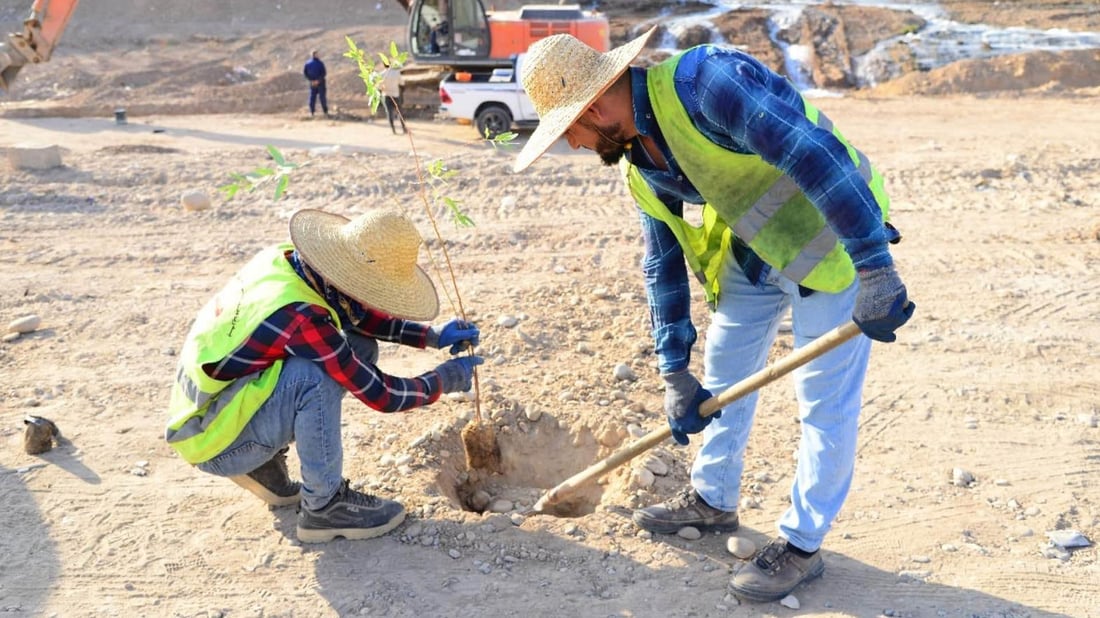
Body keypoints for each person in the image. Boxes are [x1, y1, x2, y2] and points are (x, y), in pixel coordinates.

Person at [512, 30, 914, 602]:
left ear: (593, 107)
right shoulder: (636, 164)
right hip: (754, 254)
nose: (573, 145)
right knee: (722, 379)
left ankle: (802, 546)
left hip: (835, 240)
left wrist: (874, 265)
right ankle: (712, 499)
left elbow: (813, 155)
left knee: (824, 404)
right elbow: (663, 263)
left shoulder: (707, 82)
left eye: (568, 131)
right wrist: (674, 369)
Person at [164, 209, 483, 544]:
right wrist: (443, 380)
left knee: (356, 347)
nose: (377, 302)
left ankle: (261, 462)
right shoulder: (302, 317)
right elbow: (381, 395)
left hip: (213, 414)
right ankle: (325, 506)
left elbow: (354, 315)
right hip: (212, 440)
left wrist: (429, 336)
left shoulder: (285, 262)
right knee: (316, 377)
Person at [380, 65, 407, 134]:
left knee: (389, 113)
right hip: (395, 95)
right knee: (400, 112)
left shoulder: (382, 74)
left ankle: (393, 130)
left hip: (386, 95)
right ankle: (404, 128)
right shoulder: (396, 73)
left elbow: (380, 87)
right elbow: (402, 83)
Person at [303, 49, 329, 117]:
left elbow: (305, 73)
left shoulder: (308, 63)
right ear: (314, 55)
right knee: (319, 97)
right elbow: (324, 73)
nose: (318, 55)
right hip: (319, 83)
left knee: (314, 97)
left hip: (314, 83)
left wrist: (312, 80)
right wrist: (317, 80)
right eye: (317, 54)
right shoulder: (319, 63)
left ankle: (313, 112)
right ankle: (324, 112)